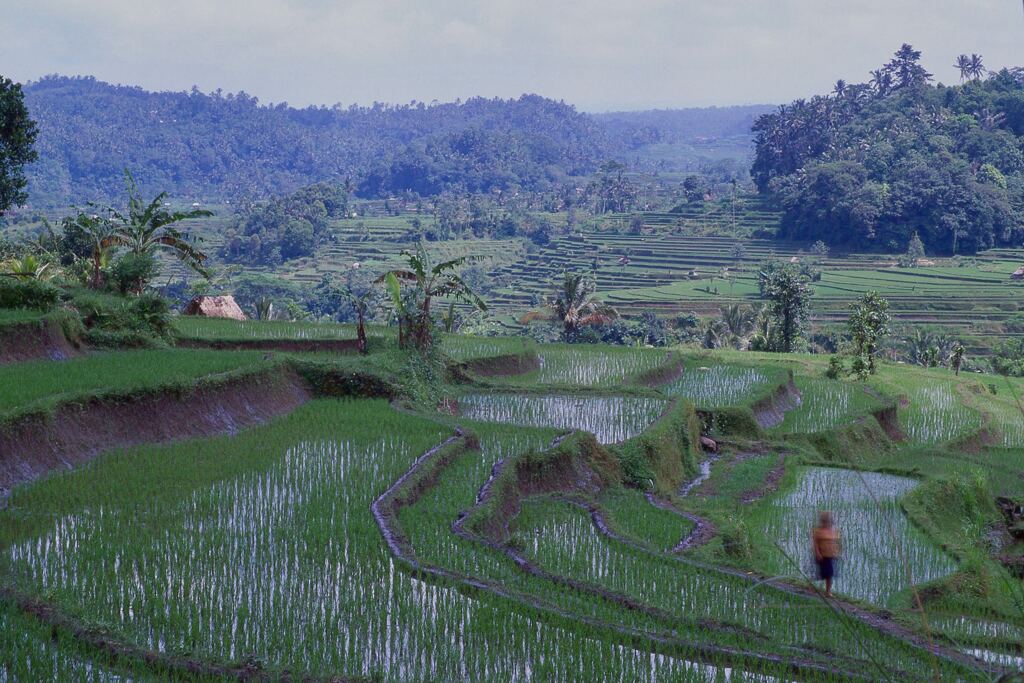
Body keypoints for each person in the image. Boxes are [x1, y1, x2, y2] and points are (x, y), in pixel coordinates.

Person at [812, 510, 840, 598]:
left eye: (829, 521)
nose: (827, 523)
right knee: (819, 574)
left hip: (830, 556)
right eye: (825, 522)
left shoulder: (834, 531)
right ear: (823, 522)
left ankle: (828, 592)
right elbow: (815, 543)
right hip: (821, 556)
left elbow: (836, 543)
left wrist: (837, 552)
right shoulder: (818, 531)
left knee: (829, 575)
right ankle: (811, 588)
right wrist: (817, 553)